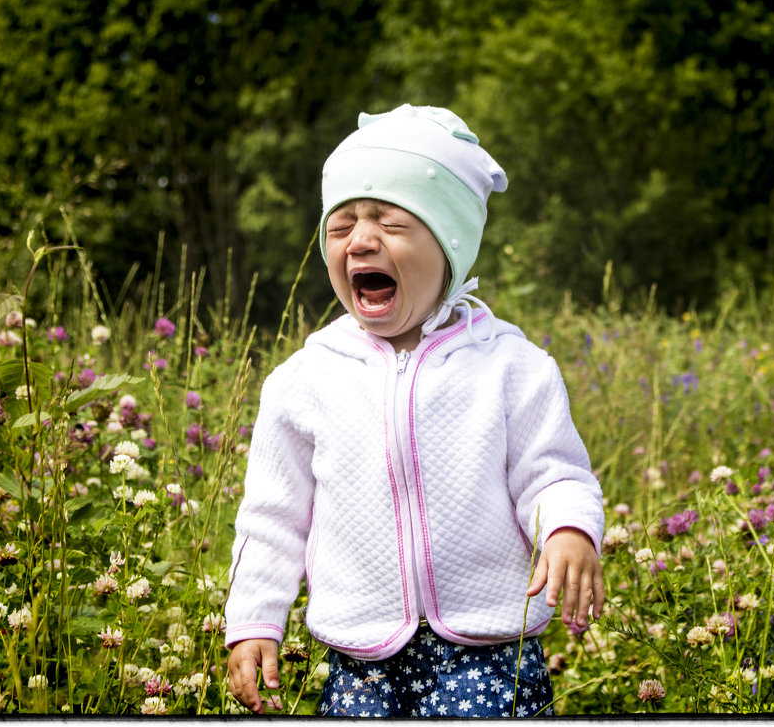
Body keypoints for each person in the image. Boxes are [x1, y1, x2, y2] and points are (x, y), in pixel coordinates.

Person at [223, 104, 605, 717]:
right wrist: (252, 621)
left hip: (491, 646)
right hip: (360, 658)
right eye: (341, 225)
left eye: (390, 222)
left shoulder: (511, 365)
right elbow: (273, 518)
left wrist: (567, 527)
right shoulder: (305, 379)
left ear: (449, 245)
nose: (362, 240)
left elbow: (554, 472)